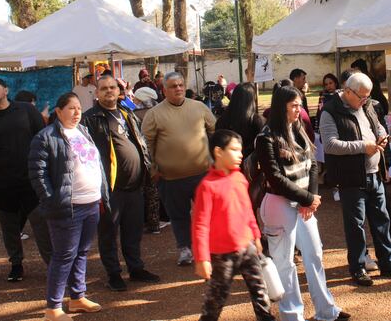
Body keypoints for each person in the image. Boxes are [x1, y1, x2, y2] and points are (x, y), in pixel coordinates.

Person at [255, 85, 349, 321]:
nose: (299, 110)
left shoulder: (297, 128)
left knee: (314, 254)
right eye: (293, 105)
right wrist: (308, 198)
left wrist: (311, 199)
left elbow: (313, 162)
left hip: (303, 205)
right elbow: (275, 178)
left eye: (299, 104)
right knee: (285, 263)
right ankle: (292, 315)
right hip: (279, 204)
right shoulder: (266, 137)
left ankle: (326, 311)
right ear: (281, 107)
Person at [319, 72, 391, 286]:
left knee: (382, 220)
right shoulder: (330, 110)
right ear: (347, 91)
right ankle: (358, 266)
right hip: (350, 177)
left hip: (374, 173)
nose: (364, 101)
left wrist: (381, 136)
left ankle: (388, 262)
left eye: (367, 97)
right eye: (361, 97)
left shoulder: (368, 105)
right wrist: (364, 147)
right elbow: (330, 144)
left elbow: (378, 125)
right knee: (356, 225)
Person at [29, 92, 109, 321]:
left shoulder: (82, 131)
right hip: (67, 207)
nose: (76, 113)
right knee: (63, 256)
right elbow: (37, 173)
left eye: (79, 109)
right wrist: (51, 199)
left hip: (91, 202)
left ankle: (77, 297)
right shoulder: (45, 137)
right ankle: (53, 308)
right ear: (58, 111)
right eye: (71, 108)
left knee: (82, 252)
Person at [81, 75, 159, 292]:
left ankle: (136, 268)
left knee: (133, 231)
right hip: (109, 189)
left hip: (135, 186)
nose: (108, 91)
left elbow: (140, 143)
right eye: (103, 88)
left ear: (119, 91)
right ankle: (114, 274)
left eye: (112, 88)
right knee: (108, 234)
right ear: (97, 93)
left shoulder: (127, 113)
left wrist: (148, 168)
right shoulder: (89, 119)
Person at [0, 78, 52, 282]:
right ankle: (16, 264)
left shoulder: (26, 110)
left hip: (32, 182)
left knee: (42, 225)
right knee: (9, 228)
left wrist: (48, 173)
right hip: (2, 185)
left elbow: (43, 139)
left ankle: (54, 265)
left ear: (6, 90)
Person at [192, 129, 274, 321]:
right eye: (235, 150)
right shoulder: (207, 186)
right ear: (218, 152)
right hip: (222, 255)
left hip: (247, 248)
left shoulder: (239, 178)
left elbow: (247, 209)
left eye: (240, 150)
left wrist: (255, 234)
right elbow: (200, 225)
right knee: (215, 299)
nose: (241, 154)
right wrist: (202, 258)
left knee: (260, 291)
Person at [141, 71, 216, 266]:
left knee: (206, 213)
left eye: (181, 85)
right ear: (164, 90)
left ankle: (209, 247)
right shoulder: (154, 114)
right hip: (170, 178)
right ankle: (185, 248)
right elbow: (146, 145)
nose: (179, 89)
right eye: (173, 86)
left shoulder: (199, 108)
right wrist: (153, 170)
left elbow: (215, 132)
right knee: (178, 216)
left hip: (202, 174)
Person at [215, 83, 265, 158]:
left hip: (227, 162)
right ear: (252, 99)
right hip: (250, 165)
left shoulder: (222, 120)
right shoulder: (257, 121)